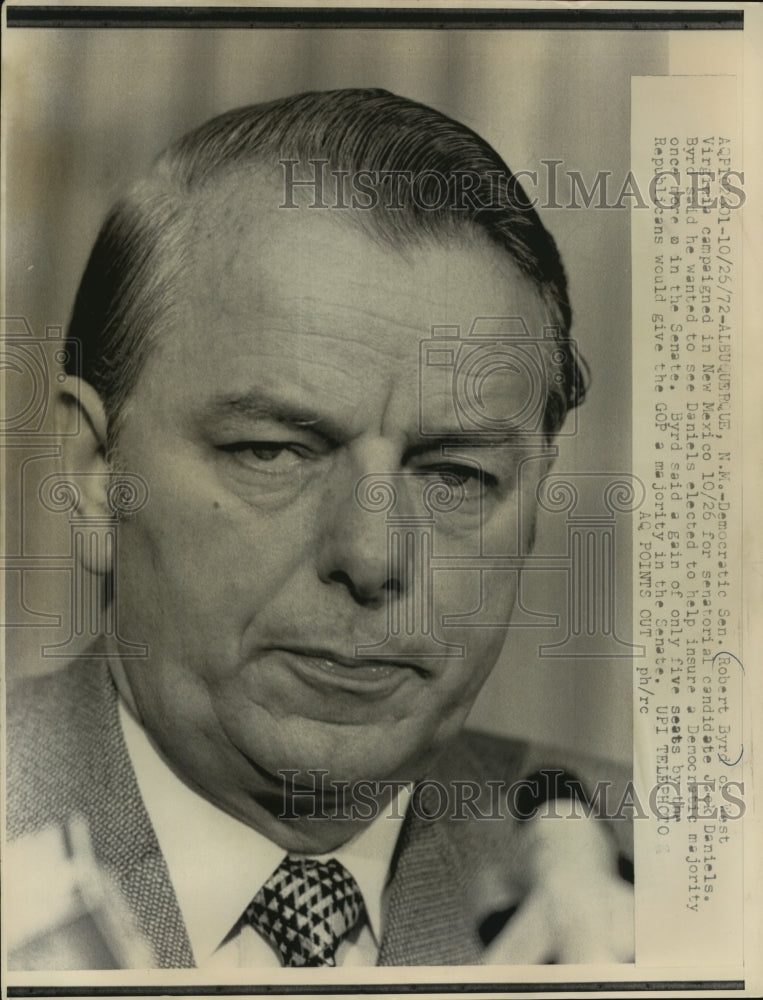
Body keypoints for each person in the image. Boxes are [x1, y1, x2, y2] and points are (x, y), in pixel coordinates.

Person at [6, 89, 633, 970]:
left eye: (455, 474)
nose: (371, 558)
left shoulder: (681, 881)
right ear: (96, 473)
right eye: (273, 452)